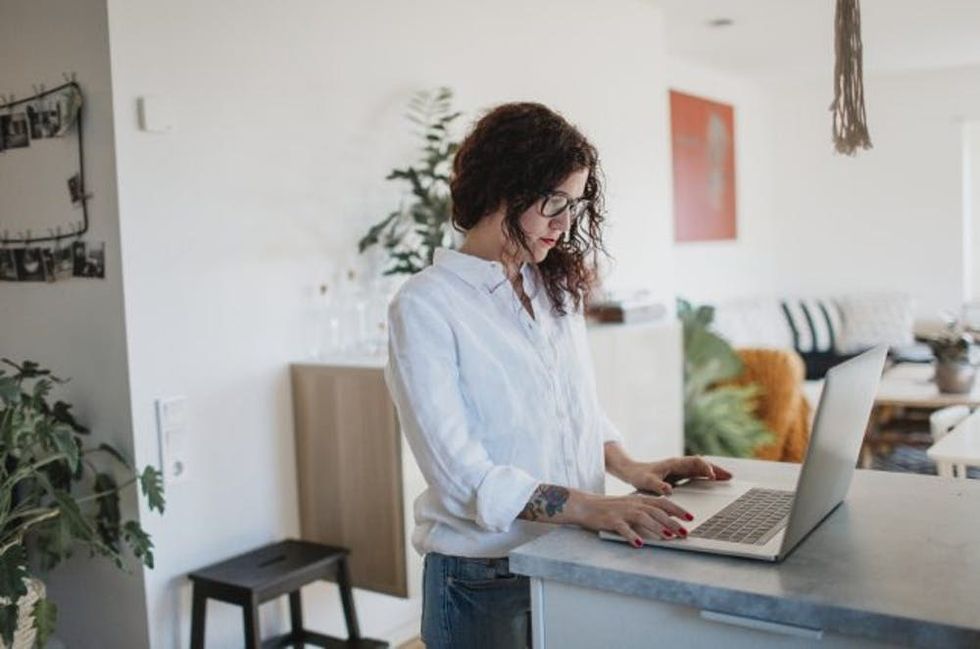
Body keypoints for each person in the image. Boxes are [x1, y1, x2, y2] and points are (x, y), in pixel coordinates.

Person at [384, 102, 732, 649]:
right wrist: (590, 506)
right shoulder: (426, 305)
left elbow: (573, 407)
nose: (565, 223)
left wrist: (625, 466)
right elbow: (462, 477)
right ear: (504, 188)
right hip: (483, 579)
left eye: (574, 206)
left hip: (566, 557)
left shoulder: (550, 289)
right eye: (554, 203)